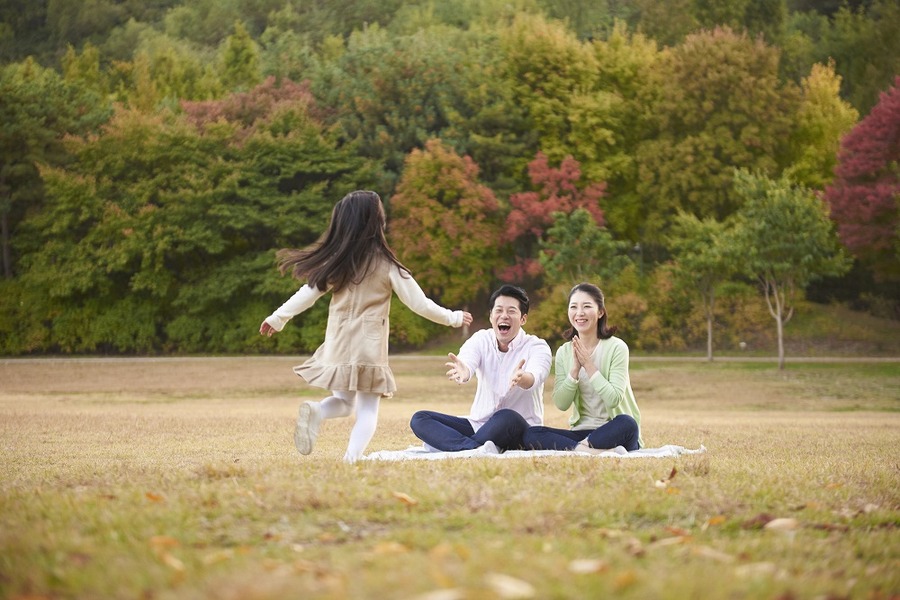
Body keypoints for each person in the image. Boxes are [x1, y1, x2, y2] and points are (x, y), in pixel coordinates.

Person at [260, 190, 473, 463]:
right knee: (368, 410)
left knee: (346, 403)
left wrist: (278, 318)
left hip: (338, 342)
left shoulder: (338, 262)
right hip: (368, 347)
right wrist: (452, 318)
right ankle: (351, 459)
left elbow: (308, 293)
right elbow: (419, 304)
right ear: (376, 223)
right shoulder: (388, 266)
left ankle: (317, 410)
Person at [409, 284, 552, 453]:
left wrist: (523, 378)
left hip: (518, 428)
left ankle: (452, 444)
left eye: (511, 311)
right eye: (498, 310)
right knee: (420, 418)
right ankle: (473, 447)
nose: (504, 316)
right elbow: (467, 361)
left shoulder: (537, 346)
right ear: (491, 316)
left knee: (506, 416)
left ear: (523, 319)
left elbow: (536, 375)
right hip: (480, 425)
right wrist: (464, 371)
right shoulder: (480, 339)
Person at [522, 283, 643, 453]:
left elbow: (614, 399)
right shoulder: (565, 352)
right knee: (531, 433)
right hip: (582, 433)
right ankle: (585, 449)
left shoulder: (617, 347)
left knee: (627, 423)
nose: (579, 313)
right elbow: (561, 403)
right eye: (574, 307)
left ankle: (585, 449)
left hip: (615, 430)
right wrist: (574, 372)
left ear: (600, 312)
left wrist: (589, 365)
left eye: (586, 306)